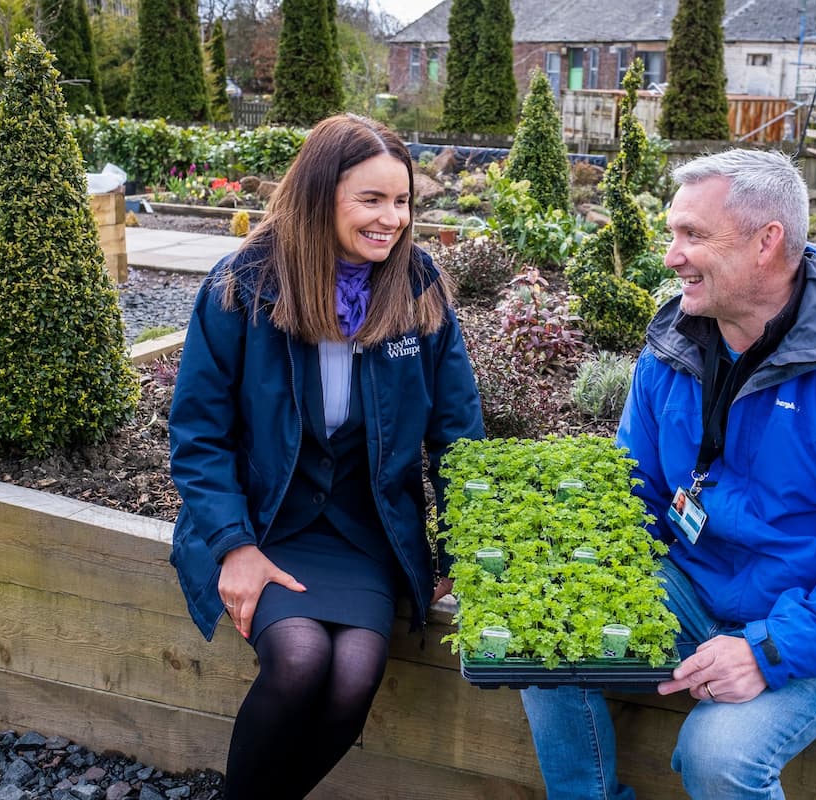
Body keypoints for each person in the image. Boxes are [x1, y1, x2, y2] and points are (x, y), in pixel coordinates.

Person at [520, 148, 816, 798]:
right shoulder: (672, 346)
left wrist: (766, 650)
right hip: (694, 589)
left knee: (718, 754)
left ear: (766, 243)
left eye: (693, 234)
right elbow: (634, 494)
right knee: (541, 623)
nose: (671, 255)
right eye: (672, 233)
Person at [167, 114, 484, 799]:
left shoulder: (417, 287)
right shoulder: (243, 285)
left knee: (354, 674)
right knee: (301, 659)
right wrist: (233, 546)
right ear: (319, 195)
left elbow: (458, 433)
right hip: (266, 519)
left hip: (363, 527)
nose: (392, 219)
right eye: (371, 200)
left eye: (402, 201)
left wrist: (461, 552)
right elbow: (198, 433)